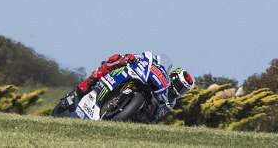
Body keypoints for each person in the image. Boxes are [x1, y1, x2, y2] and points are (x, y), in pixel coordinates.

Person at [59, 52, 193, 123]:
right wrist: (133, 58)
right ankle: (79, 91)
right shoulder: (162, 78)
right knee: (116, 59)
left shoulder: (170, 102)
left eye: (183, 90)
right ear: (172, 78)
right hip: (138, 80)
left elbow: (155, 117)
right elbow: (143, 58)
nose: (178, 91)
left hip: (140, 112)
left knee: (143, 121)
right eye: (179, 86)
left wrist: (151, 113)